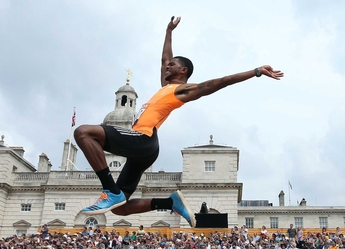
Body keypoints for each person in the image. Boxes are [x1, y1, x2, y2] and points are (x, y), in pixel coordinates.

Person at [75, 16, 283, 226]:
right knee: (120, 209)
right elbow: (165, 58)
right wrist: (169, 32)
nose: (167, 67)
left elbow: (220, 82)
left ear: (182, 71)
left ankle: (110, 190)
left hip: (143, 139)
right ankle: (169, 202)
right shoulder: (166, 85)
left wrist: (256, 72)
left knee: (83, 132)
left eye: (172, 65)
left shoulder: (182, 90)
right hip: (144, 150)